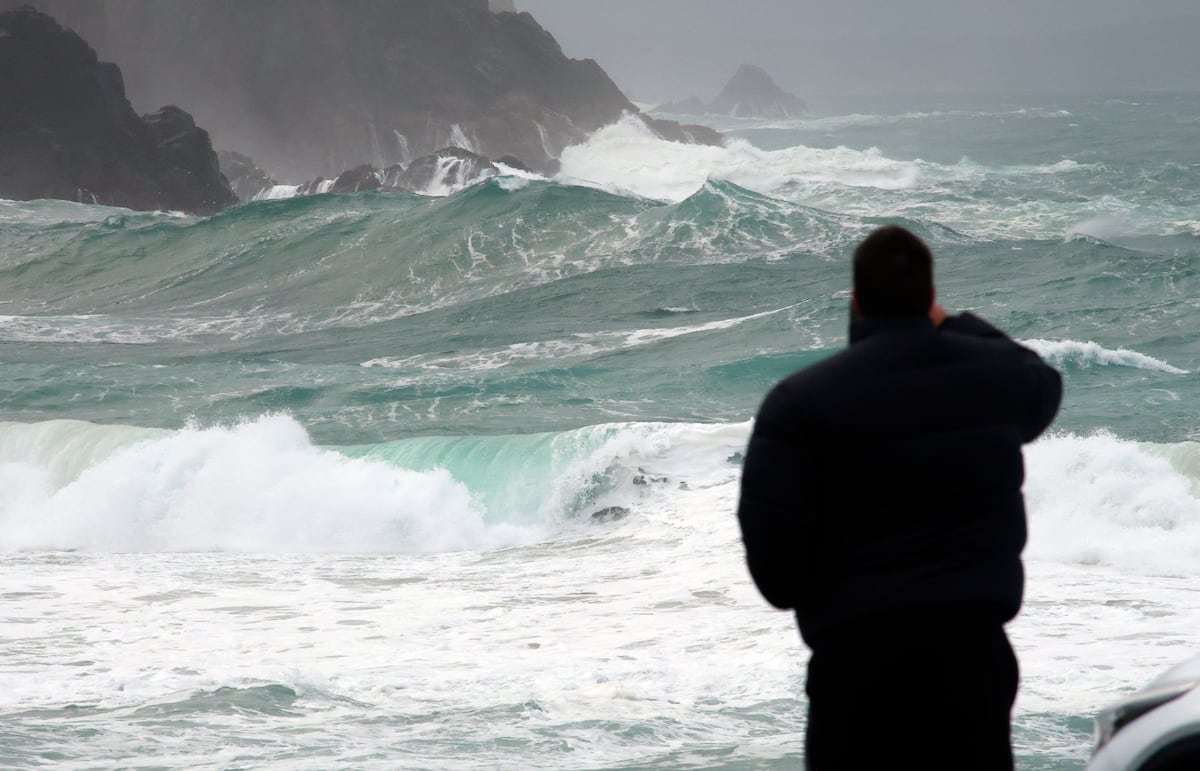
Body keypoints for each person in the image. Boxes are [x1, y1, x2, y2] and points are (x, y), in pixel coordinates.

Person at [735, 225, 1062, 770]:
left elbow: (776, 573)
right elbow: (1041, 382)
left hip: (855, 666)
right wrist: (952, 324)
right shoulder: (992, 377)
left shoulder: (797, 403)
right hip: (971, 659)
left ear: (856, 300)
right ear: (930, 297)